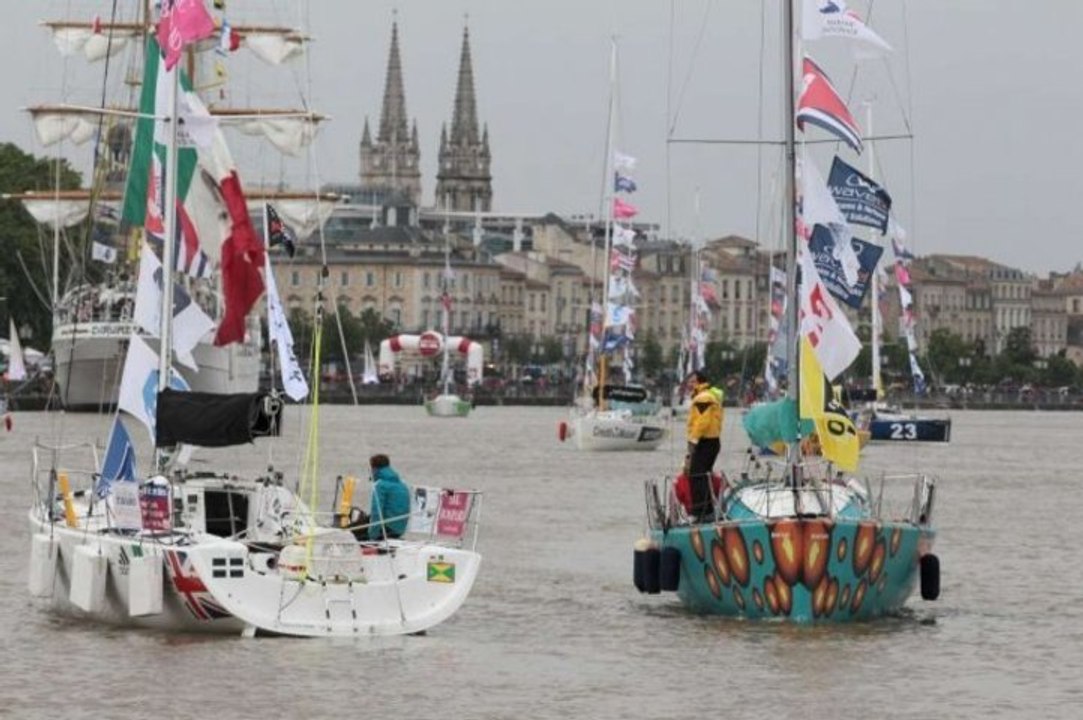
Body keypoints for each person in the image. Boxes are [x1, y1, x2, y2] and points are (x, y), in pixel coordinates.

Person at [685, 370, 724, 520]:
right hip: (711, 441)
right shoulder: (706, 396)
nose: (690, 384)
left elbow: (703, 420)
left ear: (700, 382)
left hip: (705, 441)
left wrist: (694, 439)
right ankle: (707, 511)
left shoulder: (703, 397)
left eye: (693, 381)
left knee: (696, 476)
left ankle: (700, 512)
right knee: (702, 475)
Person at [367, 454, 411, 540]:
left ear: (374, 469)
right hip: (399, 530)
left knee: (352, 532)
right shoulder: (402, 485)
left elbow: (377, 512)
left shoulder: (380, 485)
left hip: (386, 530)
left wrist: (372, 536)